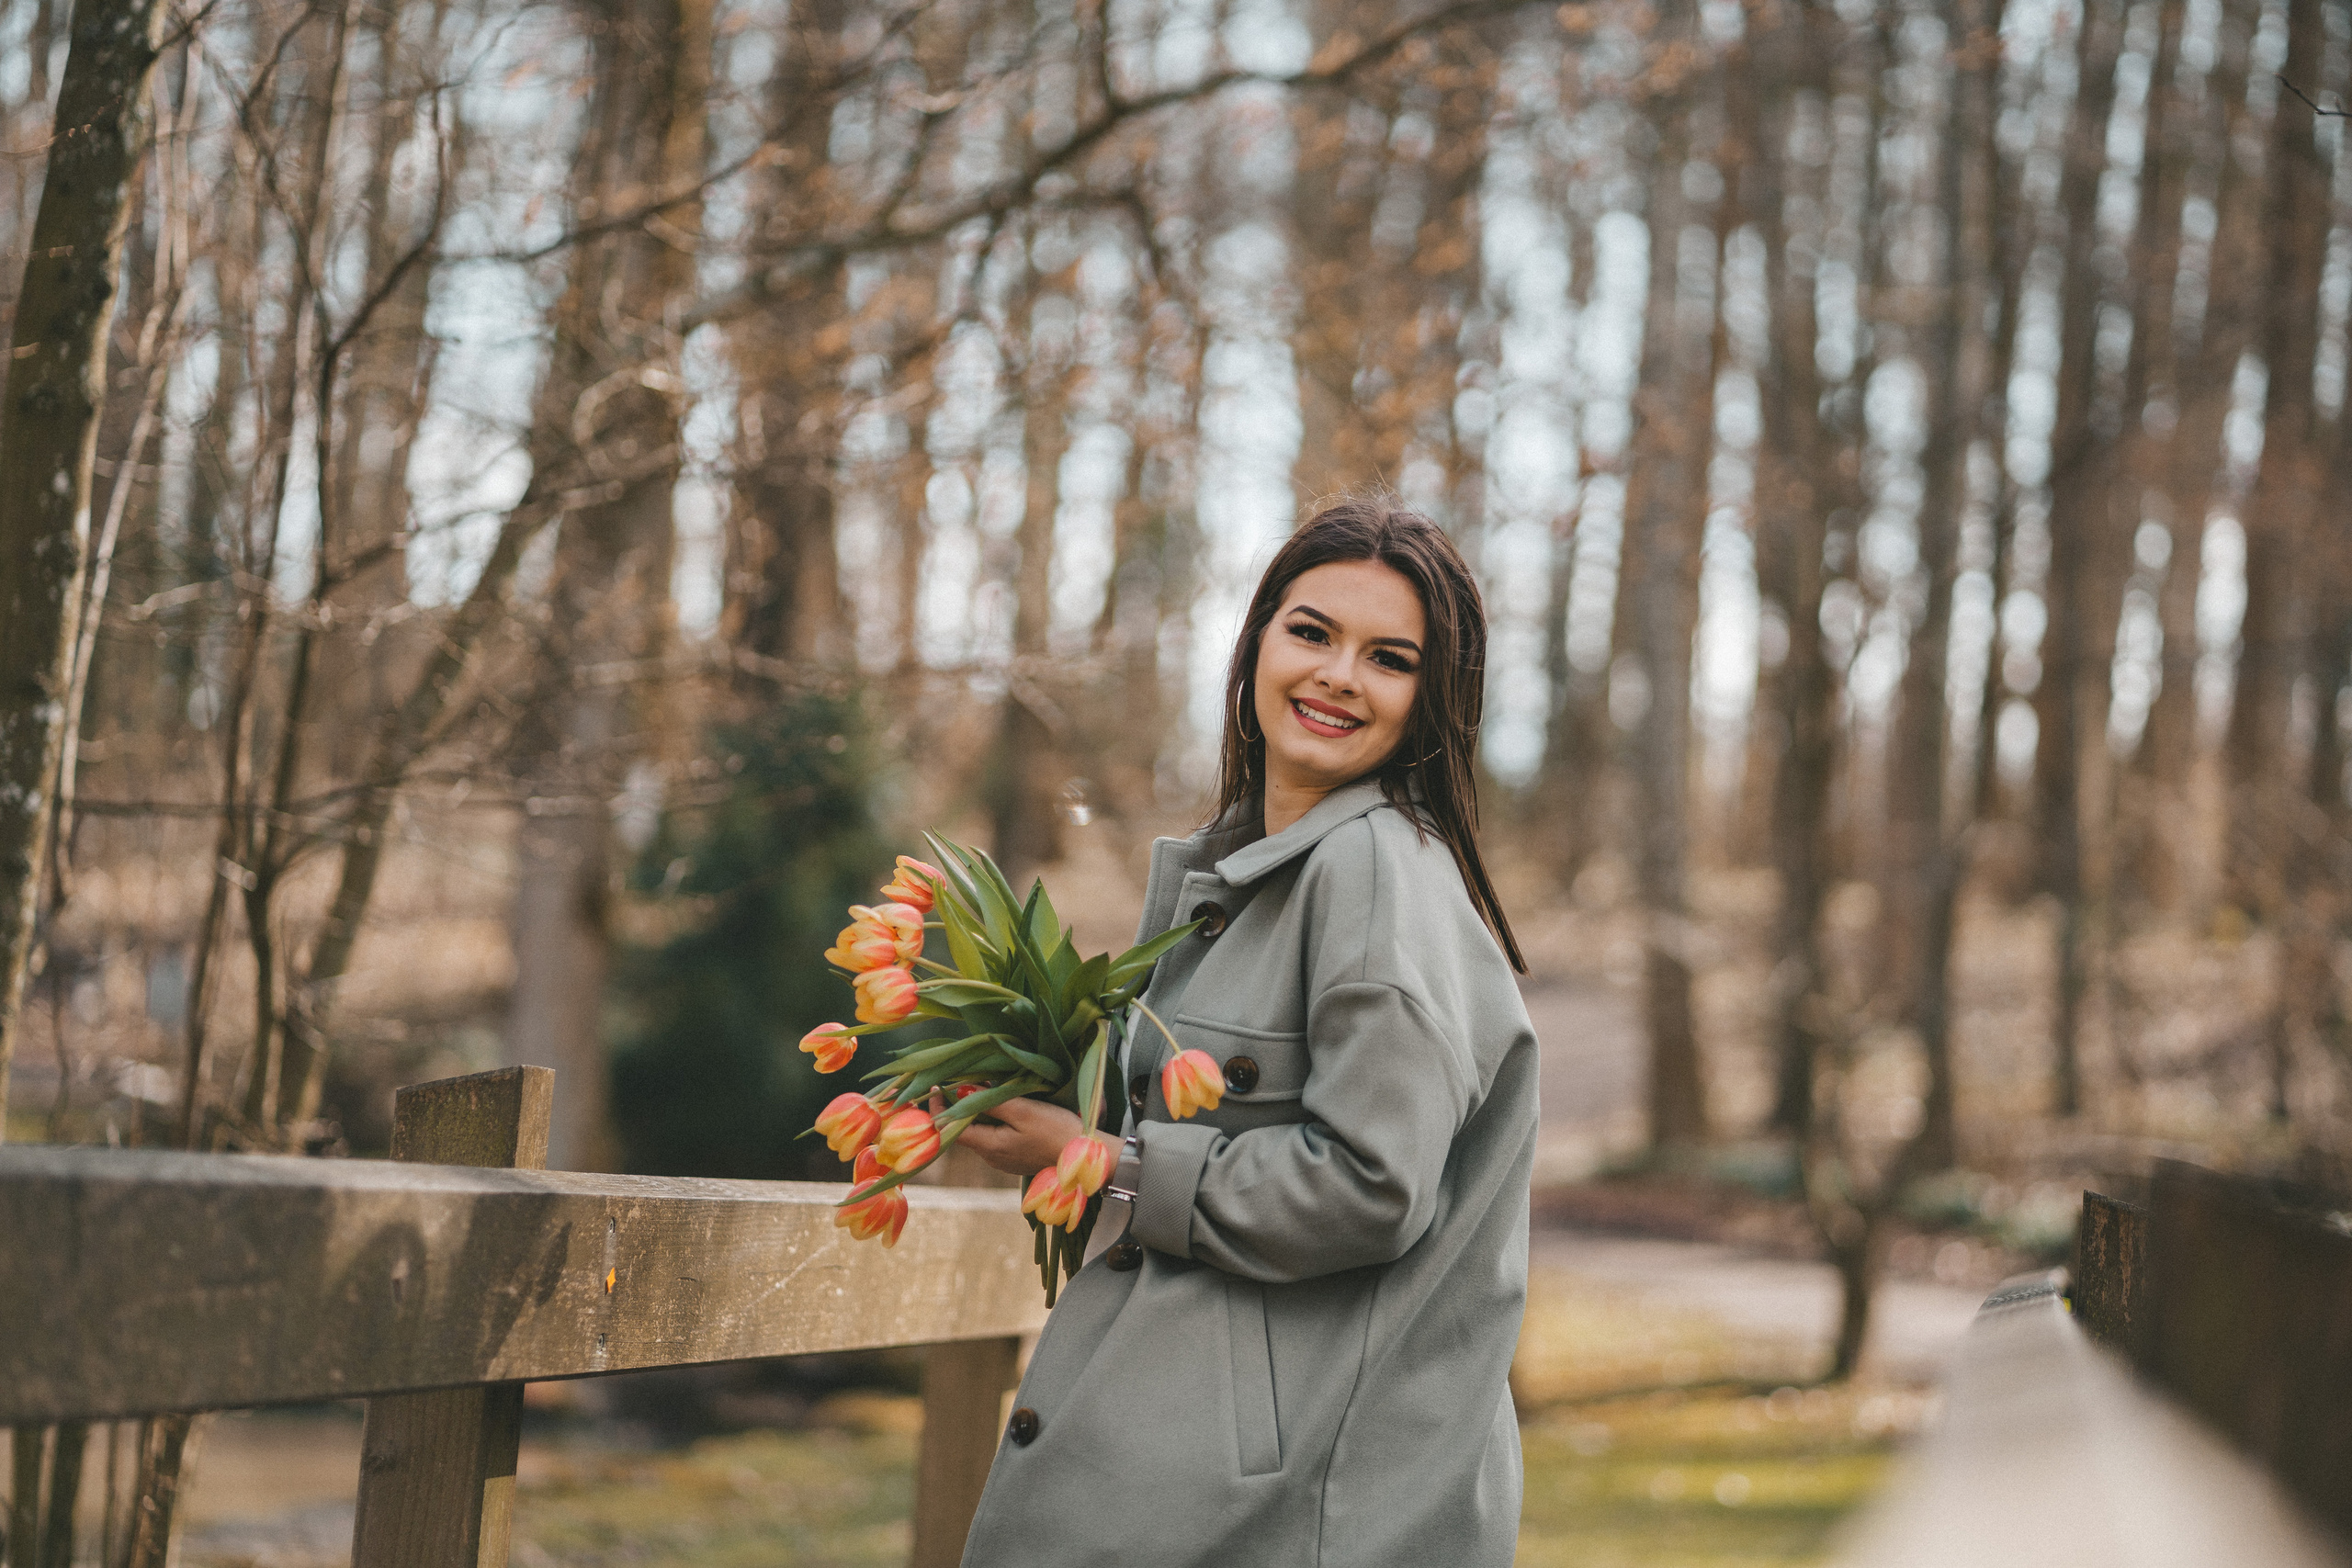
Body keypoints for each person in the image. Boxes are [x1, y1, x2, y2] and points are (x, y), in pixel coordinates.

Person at [955, 494, 1539, 1568]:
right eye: (1311, 632)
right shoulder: (1260, 874)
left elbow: (1369, 1186)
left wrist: (1106, 1168)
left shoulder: (1373, 873)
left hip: (1296, 1514)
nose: (1336, 676)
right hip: (1212, 1492)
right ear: (1258, 640)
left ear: (1430, 699)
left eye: (1388, 658)